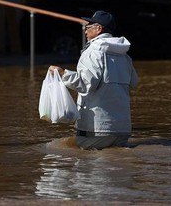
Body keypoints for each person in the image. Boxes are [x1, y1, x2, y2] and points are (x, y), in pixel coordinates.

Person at [49, 10, 138, 150]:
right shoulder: (125, 56)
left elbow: (86, 83)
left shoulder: (93, 51)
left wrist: (63, 74)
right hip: (122, 128)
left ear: (98, 28)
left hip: (97, 128)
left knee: (86, 164)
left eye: (88, 26)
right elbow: (134, 83)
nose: (85, 30)